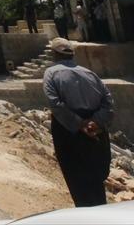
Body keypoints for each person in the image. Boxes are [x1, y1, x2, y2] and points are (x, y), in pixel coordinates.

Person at [42, 38, 114, 208]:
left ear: (54, 54)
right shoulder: (90, 73)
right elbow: (108, 102)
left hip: (69, 131)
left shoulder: (51, 73)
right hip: (96, 132)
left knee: (77, 182)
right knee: (97, 181)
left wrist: (79, 124)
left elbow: (56, 104)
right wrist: (95, 123)